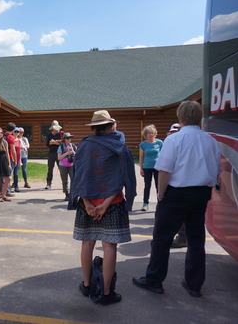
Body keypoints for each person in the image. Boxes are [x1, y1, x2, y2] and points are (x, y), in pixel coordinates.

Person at [133, 101, 220, 298]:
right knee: (196, 240)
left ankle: (154, 280)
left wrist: (161, 194)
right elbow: (216, 170)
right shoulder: (210, 140)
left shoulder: (174, 140)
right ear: (200, 119)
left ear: (179, 118)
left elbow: (164, 170)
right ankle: (194, 284)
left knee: (162, 238)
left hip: (177, 194)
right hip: (201, 193)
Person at [71, 110, 136, 305]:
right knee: (109, 246)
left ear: (94, 127)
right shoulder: (120, 147)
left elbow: (78, 176)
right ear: (110, 126)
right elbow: (125, 178)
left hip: (87, 204)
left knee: (87, 243)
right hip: (113, 203)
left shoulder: (83, 146)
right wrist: (106, 203)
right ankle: (106, 293)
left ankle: (87, 284)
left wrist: (87, 202)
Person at [139, 125, 163, 211]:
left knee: (158, 186)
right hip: (147, 167)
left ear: (155, 134)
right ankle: (145, 203)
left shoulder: (160, 143)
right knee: (147, 186)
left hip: (158, 167)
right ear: (146, 134)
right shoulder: (143, 144)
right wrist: (141, 168)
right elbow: (141, 157)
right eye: (149, 133)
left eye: (152, 133)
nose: (150, 134)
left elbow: (163, 155)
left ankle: (160, 203)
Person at [57, 132, 77, 201]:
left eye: (70, 138)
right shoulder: (61, 146)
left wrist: (74, 153)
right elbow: (59, 158)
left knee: (74, 179)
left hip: (71, 165)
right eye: (67, 138)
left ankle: (73, 194)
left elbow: (77, 155)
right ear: (64, 139)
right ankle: (67, 194)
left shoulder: (73, 146)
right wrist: (67, 153)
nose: (69, 140)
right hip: (63, 165)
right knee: (64, 180)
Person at [45, 120, 63, 189]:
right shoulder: (49, 134)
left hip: (60, 154)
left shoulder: (61, 134)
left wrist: (55, 142)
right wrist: (51, 142)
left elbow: (63, 143)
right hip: (51, 153)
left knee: (61, 169)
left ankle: (64, 183)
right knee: (50, 169)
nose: (55, 129)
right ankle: (48, 183)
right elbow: (47, 144)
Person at [2, 122, 18, 197]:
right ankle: (7, 191)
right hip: (9, 157)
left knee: (2, 176)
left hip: (2, 157)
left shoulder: (3, 135)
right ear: (13, 130)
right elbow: (13, 149)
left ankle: (2, 191)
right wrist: (15, 160)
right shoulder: (11, 137)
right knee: (9, 175)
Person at [11, 127, 22, 192]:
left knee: (16, 173)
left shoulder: (19, 140)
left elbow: (24, 147)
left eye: (18, 132)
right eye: (15, 131)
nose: (16, 133)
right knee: (10, 173)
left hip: (17, 158)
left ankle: (16, 186)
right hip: (11, 158)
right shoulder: (11, 139)